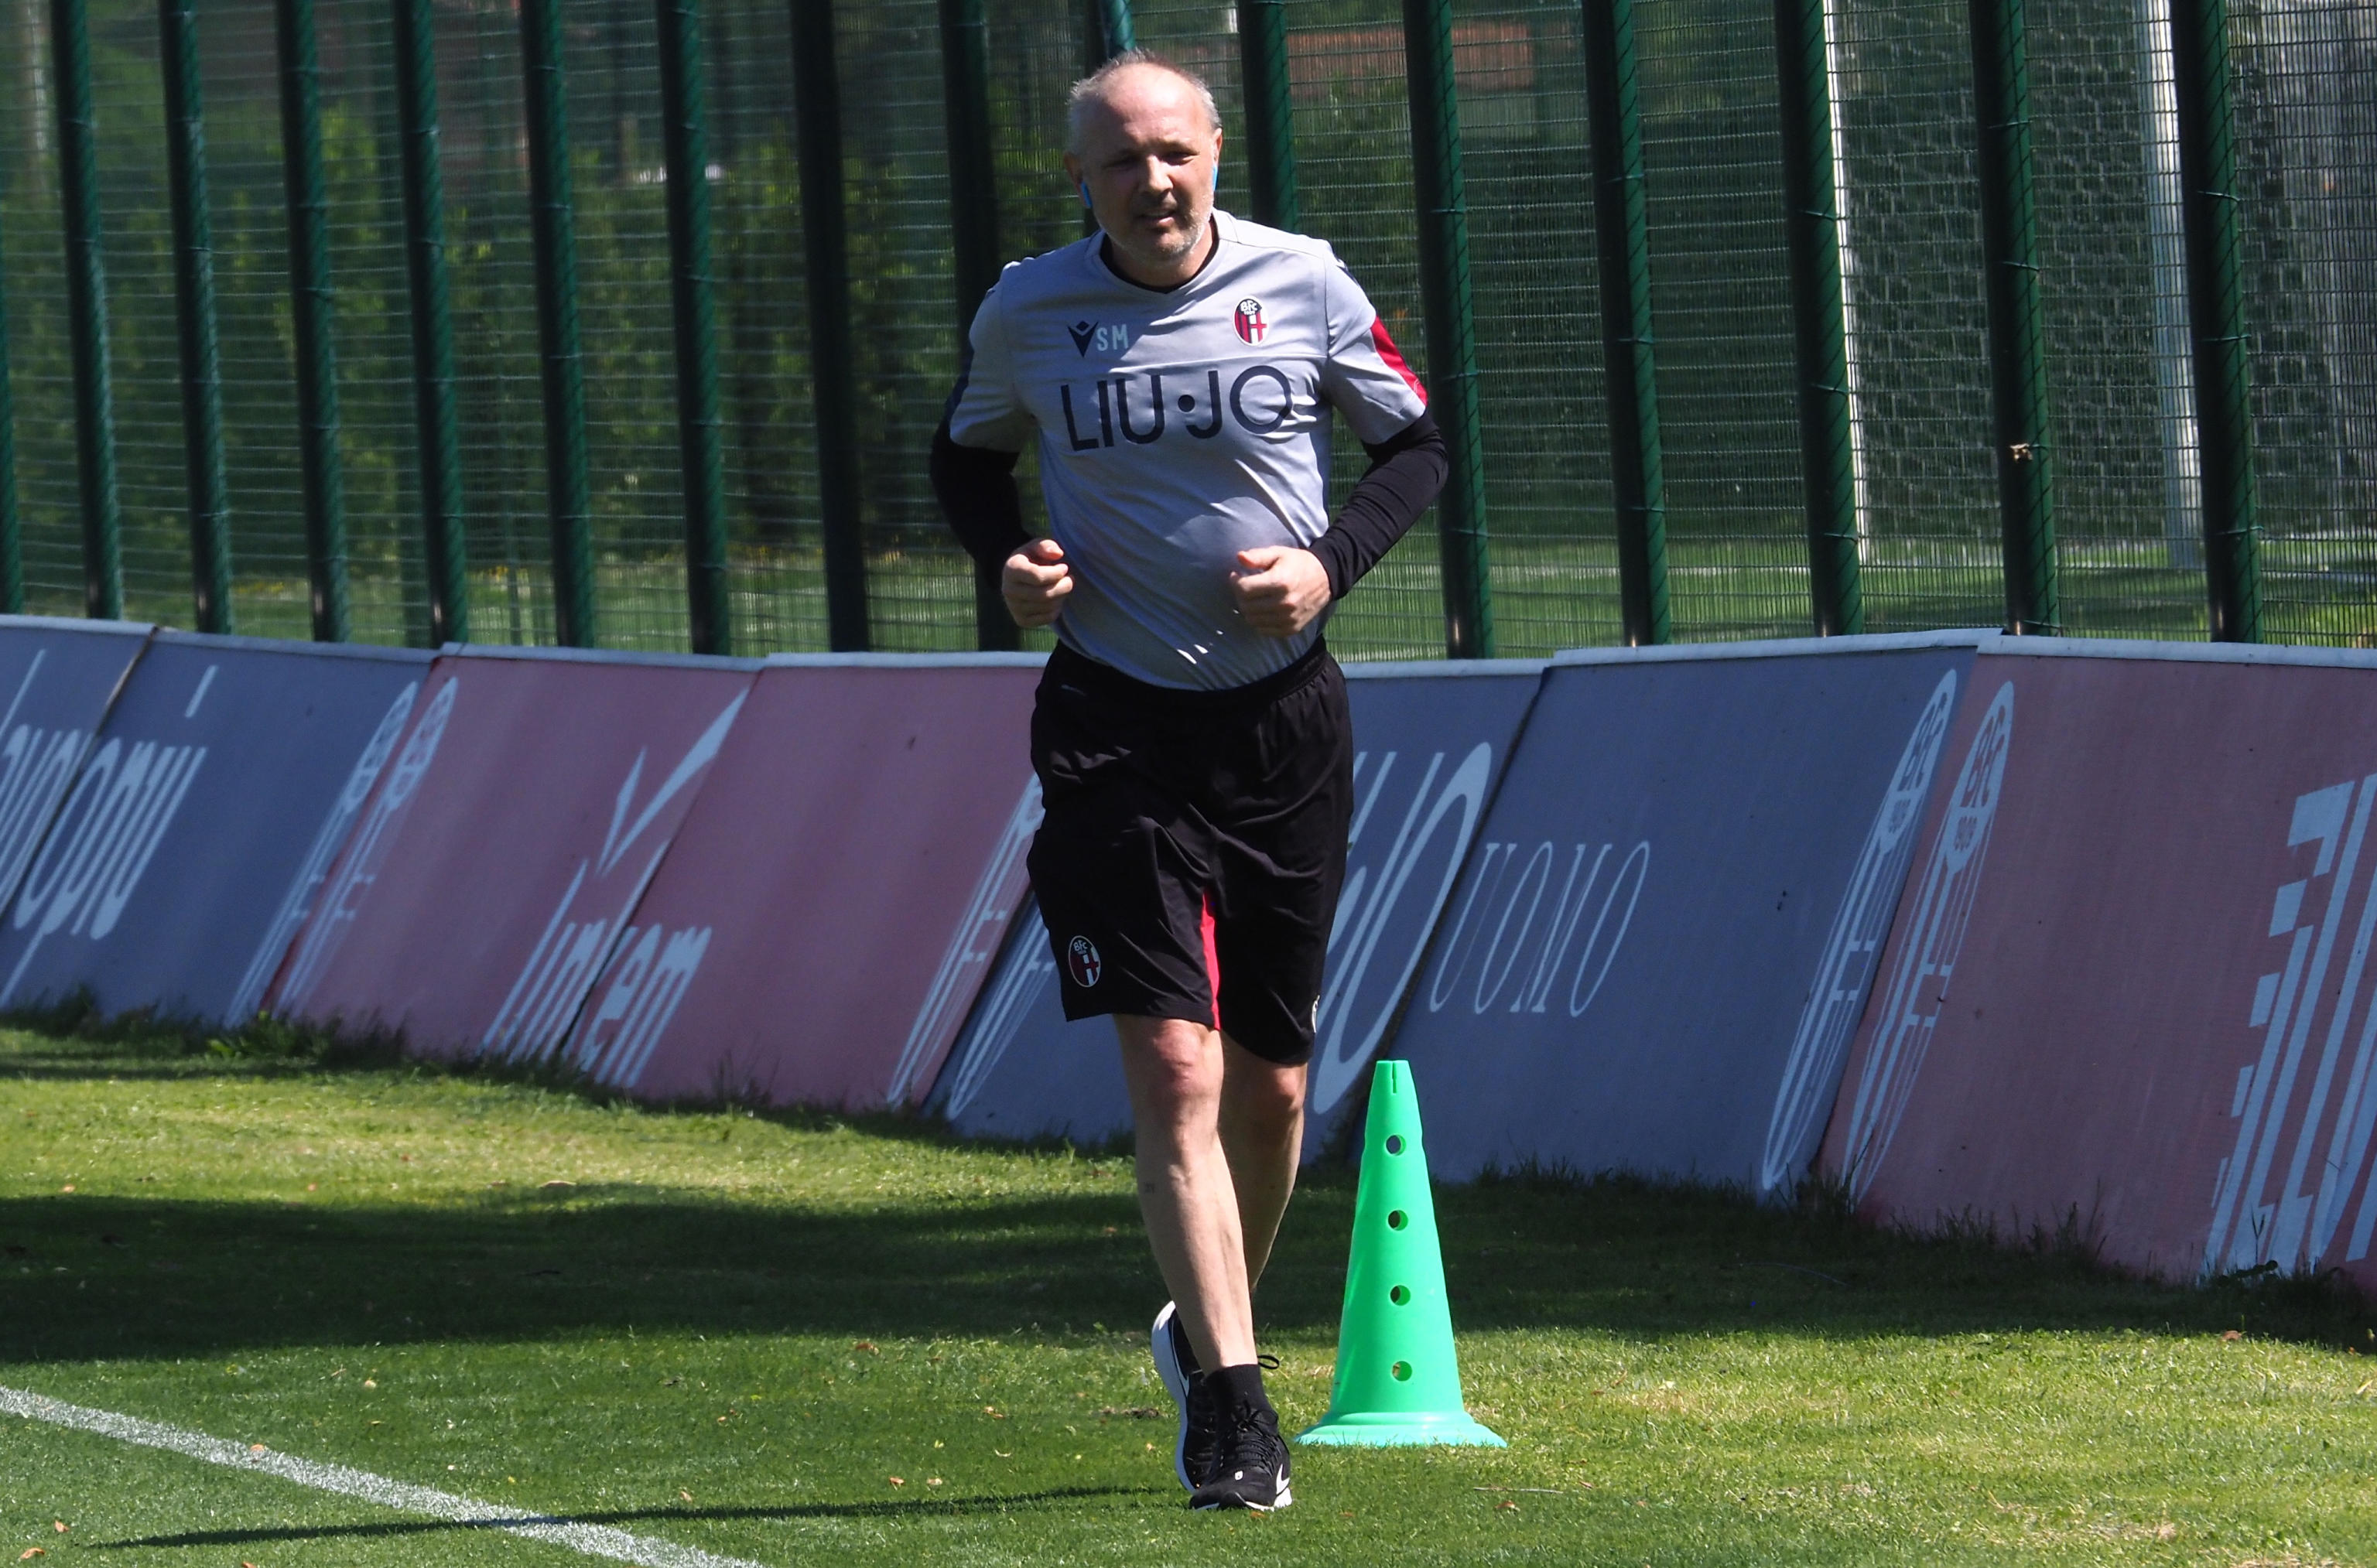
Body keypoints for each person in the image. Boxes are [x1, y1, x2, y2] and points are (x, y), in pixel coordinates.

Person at [929, 50, 1446, 1512]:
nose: (1152, 182)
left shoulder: (1308, 282)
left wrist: (1329, 568)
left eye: (1174, 152)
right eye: (1119, 161)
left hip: (1282, 725)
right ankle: (1232, 1404)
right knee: (1176, 1065)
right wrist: (1011, 562)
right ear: (1081, 179)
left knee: (1274, 1093)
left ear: (1215, 151)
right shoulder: (1031, 309)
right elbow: (966, 458)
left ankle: (1205, 1323)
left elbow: (1419, 444)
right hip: (1111, 721)